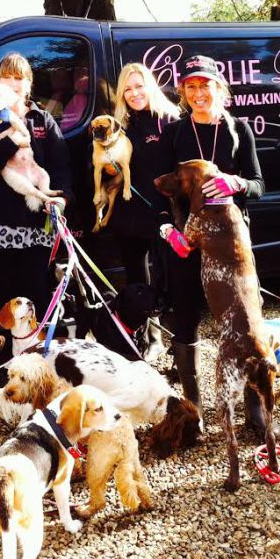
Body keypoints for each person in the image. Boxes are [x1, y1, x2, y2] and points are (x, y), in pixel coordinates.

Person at [159, 55, 267, 433]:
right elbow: (162, 188)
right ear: (183, 93)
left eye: (205, 85)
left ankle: (255, 404)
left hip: (230, 244)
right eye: (190, 87)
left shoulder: (238, 129)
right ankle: (194, 410)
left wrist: (237, 183)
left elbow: (259, 184)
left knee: (246, 320)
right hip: (186, 239)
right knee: (185, 317)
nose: (198, 93)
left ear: (218, 88)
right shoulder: (175, 132)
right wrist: (168, 229)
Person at [0, 53, 72, 329]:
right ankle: (3, 351)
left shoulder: (43, 119)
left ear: (29, 83)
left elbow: (60, 167)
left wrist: (61, 199)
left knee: (35, 297)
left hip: (36, 227)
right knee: (2, 300)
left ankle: (36, 350)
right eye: (7, 77)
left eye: (19, 78)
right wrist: (12, 140)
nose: (13, 83)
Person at [105, 63, 181, 358]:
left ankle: (180, 344)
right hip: (130, 214)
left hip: (164, 213)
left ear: (150, 86)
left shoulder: (170, 120)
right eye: (127, 89)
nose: (134, 94)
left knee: (168, 279)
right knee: (138, 282)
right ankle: (151, 339)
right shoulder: (120, 126)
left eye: (139, 86)